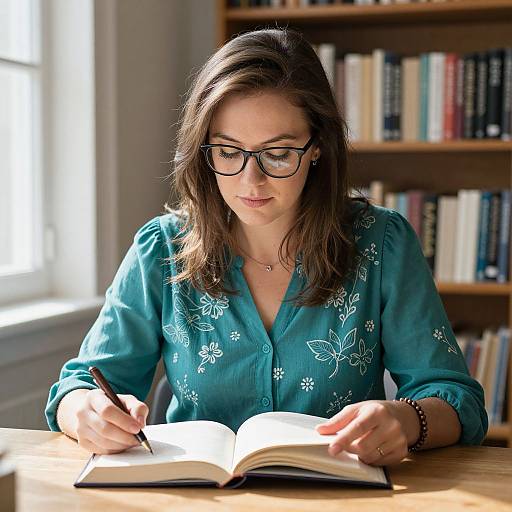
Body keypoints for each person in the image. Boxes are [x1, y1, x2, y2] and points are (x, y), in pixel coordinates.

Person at [45, 28, 487, 466]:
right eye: (227, 151)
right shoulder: (161, 248)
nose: (249, 181)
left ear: (317, 147)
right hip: (199, 497)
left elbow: (456, 401)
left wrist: (408, 420)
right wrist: (83, 411)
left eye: (277, 154)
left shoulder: (381, 242)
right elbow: (80, 385)